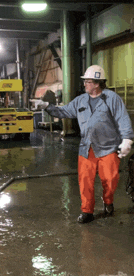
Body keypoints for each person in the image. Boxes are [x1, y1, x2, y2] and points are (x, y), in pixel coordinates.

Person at [31, 65, 134, 223]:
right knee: (85, 181)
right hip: (87, 148)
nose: (84, 84)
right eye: (85, 81)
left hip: (108, 148)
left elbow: (122, 118)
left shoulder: (112, 98)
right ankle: (87, 211)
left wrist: (127, 139)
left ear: (97, 83)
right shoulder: (81, 100)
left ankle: (108, 201)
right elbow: (64, 111)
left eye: (88, 81)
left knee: (111, 180)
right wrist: (47, 107)